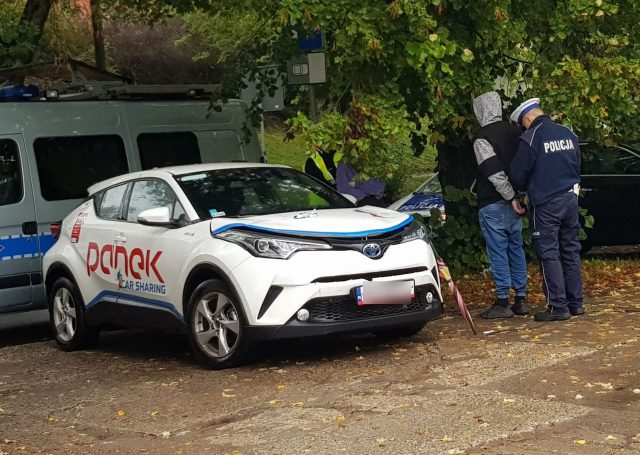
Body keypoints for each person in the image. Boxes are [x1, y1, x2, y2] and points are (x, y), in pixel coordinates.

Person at [510, 98, 584, 322]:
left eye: (523, 124)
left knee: (548, 253)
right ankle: (576, 304)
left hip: (547, 204)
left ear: (527, 118)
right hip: (571, 198)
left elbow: (517, 173)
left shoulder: (532, 136)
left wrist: (524, 191)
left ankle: (558, 306)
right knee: (571, 251)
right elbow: (578, 163)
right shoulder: (568, 133)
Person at [472, 91, 528, 319]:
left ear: (480, 110)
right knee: (516, 249)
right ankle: (521, 298)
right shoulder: (516, 132)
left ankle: (502, 300)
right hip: (517, 202)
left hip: (495, 203)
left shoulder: (482, 138)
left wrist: (509, 197)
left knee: (498, 251)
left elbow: (494, 172)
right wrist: (520, 197)